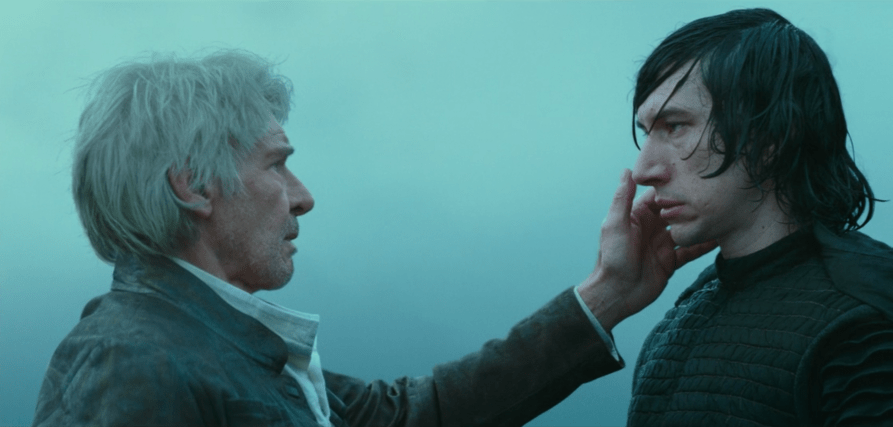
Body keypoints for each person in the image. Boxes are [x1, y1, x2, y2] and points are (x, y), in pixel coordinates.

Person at [32, 49, 717, 426]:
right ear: (194, 186)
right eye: (276, 164)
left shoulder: (211, 347)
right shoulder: (129, 362)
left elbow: (416, 414)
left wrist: (607, 295)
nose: (302, 195)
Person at [623, 7, 893, 427]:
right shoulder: (680, 321)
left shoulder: (868, 328)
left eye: (675, 126)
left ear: (771, 137)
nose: (643, 169)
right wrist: (605, 298)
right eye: (647, 132)